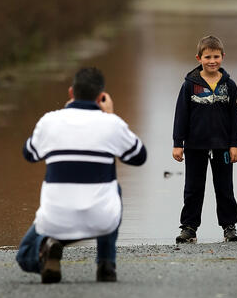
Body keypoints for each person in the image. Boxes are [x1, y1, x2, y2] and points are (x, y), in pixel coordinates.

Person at [16, 67, 147, 283]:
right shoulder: (111, 123)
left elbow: (29, 154)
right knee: (114, 188)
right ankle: (106, 264)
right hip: (102, 219)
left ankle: (48, 249)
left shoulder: (49, 121)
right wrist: (111, 116)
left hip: (55, 219)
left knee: (24, 255)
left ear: (70, 93)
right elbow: (139, 157)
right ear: (101, 97)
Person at [172, 35, 237, 243]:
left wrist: (234, 145)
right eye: (208, 57)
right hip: (195, 146)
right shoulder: (190, 85)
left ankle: (229, 227)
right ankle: (189, 227)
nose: (212, 61)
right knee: (193, 188)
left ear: (223, 57)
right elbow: (180, 115)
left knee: (225, 188)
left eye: (216, 56)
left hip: (223, 146)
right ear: (199, 58)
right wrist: (178, 143)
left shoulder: (229, 86)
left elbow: (236, 118)